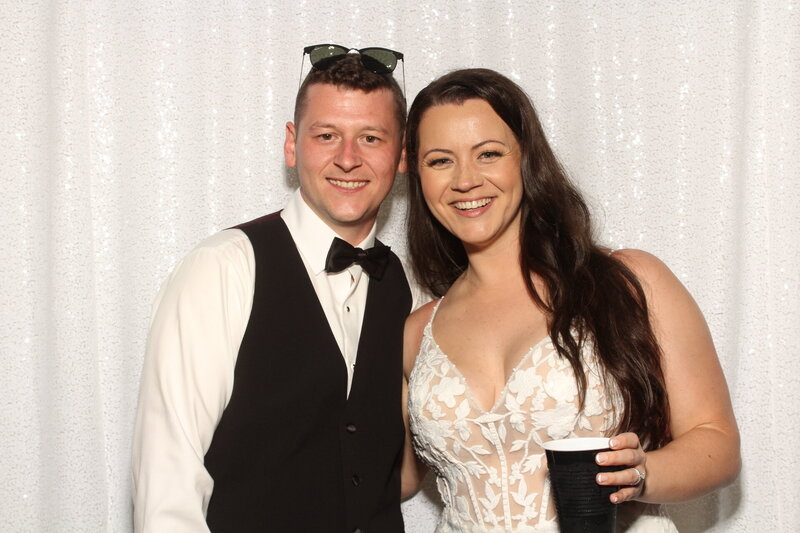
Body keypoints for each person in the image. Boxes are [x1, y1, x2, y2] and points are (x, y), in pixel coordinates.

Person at [399, 68, 740, 532]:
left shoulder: (630, 282)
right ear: (417, 174)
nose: (466, 180)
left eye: (489, 154)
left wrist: (641, 474)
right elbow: (389, 478)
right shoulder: (417, 331)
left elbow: (716, 442)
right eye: (440, 161)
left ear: (526, 159)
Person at [132, 48, 417, 532]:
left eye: (371, 138)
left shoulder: (403, 285)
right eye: (326, 135)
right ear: (292, 145)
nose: (348, 158)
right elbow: (167, 484)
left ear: (403, 154)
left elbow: (385, 467)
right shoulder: (222, 269)